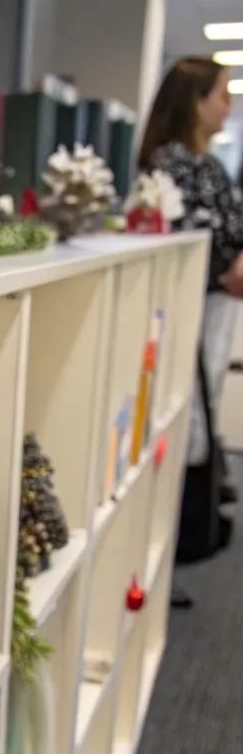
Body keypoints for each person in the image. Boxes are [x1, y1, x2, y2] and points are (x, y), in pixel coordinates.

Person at [139, 57, 243, 577]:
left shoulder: (204, 162)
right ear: (195, 101)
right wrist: (231, 264)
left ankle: (187, 527)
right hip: (195, 306)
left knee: (202, 409)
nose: (229, 106)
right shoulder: (175, 163)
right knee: (188, 414)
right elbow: (196, 237)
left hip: (217, 304)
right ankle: (179, 533)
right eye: (222, 95)